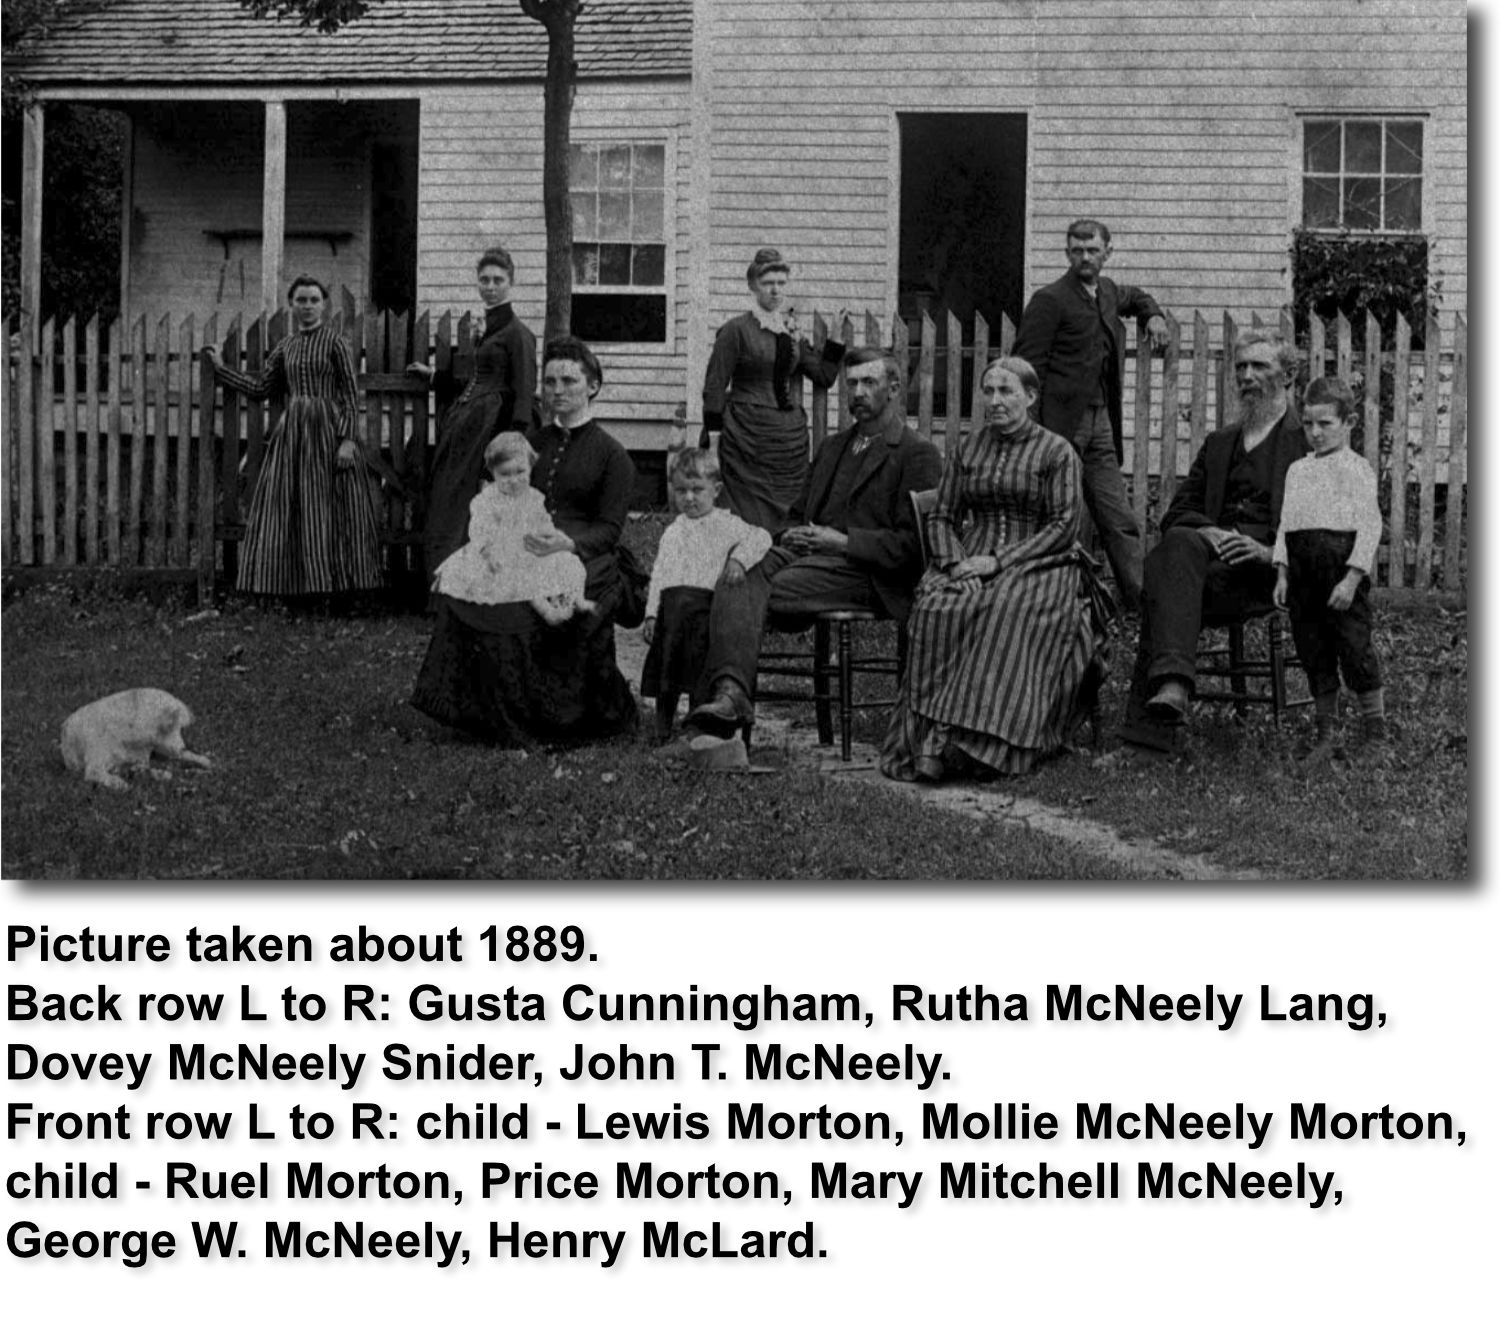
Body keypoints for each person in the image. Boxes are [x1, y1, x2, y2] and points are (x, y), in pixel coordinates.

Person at [686, 345, 942, 739]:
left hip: (865, 574)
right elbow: (794, 513)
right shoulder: (832, 448)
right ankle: (728, 699)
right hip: (806, 559)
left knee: (744, 589)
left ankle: (722, 709)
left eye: (869, 382)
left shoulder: (916, 453)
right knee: (733, 571)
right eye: (851, 383)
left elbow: (912, 547)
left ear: (893, 389)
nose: (857, 392)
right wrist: (792, 534)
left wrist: (840, 541)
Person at [880, 356, 1111, 782]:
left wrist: (999, 561)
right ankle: (927, 741)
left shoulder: (1057, 451)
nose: (995, 400)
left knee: (1005, 604)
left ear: (1031, 396)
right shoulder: (969, 446)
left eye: (1006, 391)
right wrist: (953, 565)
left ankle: (974, 745)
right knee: (937, 606)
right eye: (988, 391)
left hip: (1044, 559)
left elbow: (1064, 526)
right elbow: (942, 516)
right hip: (971, 554)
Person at [410, 338, 637, 745]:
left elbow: (610, 530)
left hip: (584, 553)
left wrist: (567, 543)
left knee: (528, 605)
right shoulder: (533, 443)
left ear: (593, 386)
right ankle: (472, 711)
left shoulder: (612, 454)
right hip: (520, 543)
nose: (558, 390)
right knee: (470, 594)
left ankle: (541, 720)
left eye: (569, 380)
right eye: (550, 382)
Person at [1118, 330, 1309, 752]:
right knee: (1180, 549)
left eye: (1259, 366)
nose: (1246, 375)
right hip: (1211, 574)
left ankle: (1150, 731)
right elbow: (1176, 514)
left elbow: (1329, 531)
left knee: (1167, 580)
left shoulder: (1308, 443)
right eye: (1241, 367)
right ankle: (1170, 689)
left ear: (1289, 375)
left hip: (1268, 577)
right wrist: (1211, 531)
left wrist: (1268, 552)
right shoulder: (1220, 443)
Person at [1012, 219, 1169, 612]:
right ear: (1067, 253)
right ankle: (1069, 603)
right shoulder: (1049, 300)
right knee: (1068, 517)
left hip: (1102, 423)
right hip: (1060, 426)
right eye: (1077, 251)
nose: (1085, 257)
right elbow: (1027, 369)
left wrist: (1153, 315)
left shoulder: (1109, 292)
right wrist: (1036, 432)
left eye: (1092, 250)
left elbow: (1138, 297)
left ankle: (1143, 603)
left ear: (1107, 253)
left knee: (1117, 514)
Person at [205, 274, 383, 598]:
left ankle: (337, 590)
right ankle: (298, 588)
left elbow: (349, 394)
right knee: (294, 509)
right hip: (294, 438)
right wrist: (221, 369)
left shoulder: (335, 343)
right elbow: (260, 389)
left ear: (323, 304)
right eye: (301, 300)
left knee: (334, 510)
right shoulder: (286, 347)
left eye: (314, 300)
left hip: (328, 433)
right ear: (292, 305)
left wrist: (347, 440)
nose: (308, 306)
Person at [1273, 377, 1386, 754]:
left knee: (1354, 647)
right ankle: (1327, 732)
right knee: (1313, 648)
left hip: (1340, 571)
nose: (1315, 433)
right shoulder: (1297, 471)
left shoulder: (1357, 469)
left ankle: (1375, 732)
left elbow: (1370, 526)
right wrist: (1283, 571)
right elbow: (1286, 524)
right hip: (1303, 574)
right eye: (1308, 424)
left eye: (1326, 424)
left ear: (1349, 423)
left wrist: (1352, 579)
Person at [701, 247, 846, 530]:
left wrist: (836, 337)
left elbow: (824, 376)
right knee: (743, 514)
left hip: (786, 438)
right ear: (754, 286)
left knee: (787, 515)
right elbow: (715, 387)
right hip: (744, 434)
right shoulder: (736, 330)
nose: (775, 290)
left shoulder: (790, 332)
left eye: (781, 283)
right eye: (768, 284)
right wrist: (713, 445)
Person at [416, 247, 537, 574]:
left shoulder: (518, 334)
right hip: (467, 427)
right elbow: (475, 379)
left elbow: (523, 392)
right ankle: (444, 587)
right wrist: (434, 377)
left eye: (498, 279)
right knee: (450, 501)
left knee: (472, 506)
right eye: (484, 279)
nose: (491, 286)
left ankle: (473, 589)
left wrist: (510, 448)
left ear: (511, 282)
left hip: (491, 430)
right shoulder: (491, 330)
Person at [640, 447, 773, 741]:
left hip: (705, 611)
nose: (688, 498)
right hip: (672, 617)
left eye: (697, 490)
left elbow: (761, 537)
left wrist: (739, 559)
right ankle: (662, 727)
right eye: (681, 491)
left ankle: (698, 723)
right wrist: (651, 613)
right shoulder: (673, 531)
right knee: (668, 669)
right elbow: (660, 573)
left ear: (716, 490)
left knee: (700, 669)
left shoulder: (726, 524)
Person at [430, 431, 594, 626]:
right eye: (505, 474)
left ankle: (573, 599)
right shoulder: (487, 501)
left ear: (530, 468)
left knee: (569, 562)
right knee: (517, 575)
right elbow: (480, 531)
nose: (514, 480)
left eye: (520, 472)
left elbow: (542, 521)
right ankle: (546, 611)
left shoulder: (533, 497)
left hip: (529, 548)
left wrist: (548, 537)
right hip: (499, 551)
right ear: (493, 473)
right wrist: (489, 552)